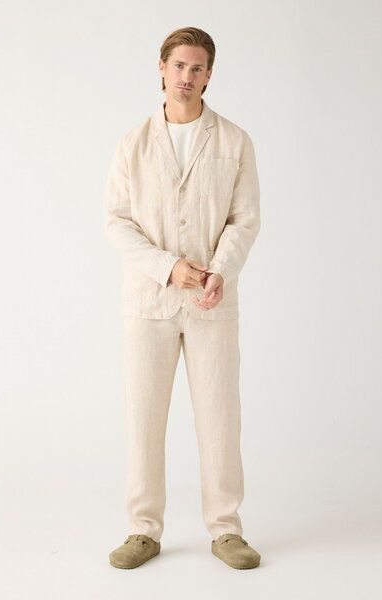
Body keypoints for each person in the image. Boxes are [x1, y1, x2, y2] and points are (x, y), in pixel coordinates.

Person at [103, 26, 262, 569]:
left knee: (220, 417)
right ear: (162, 68)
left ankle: (226, 529)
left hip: (212, 302)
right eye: (179, 66)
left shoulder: (235, 141)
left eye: (197, 68)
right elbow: (117, 222)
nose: (187, 77)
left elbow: (244, 218)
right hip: (148, 303)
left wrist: (221, 270)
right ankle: (142, 530)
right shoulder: (133, 143)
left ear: (209, 75)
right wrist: (168, 268)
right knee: (143, 418)